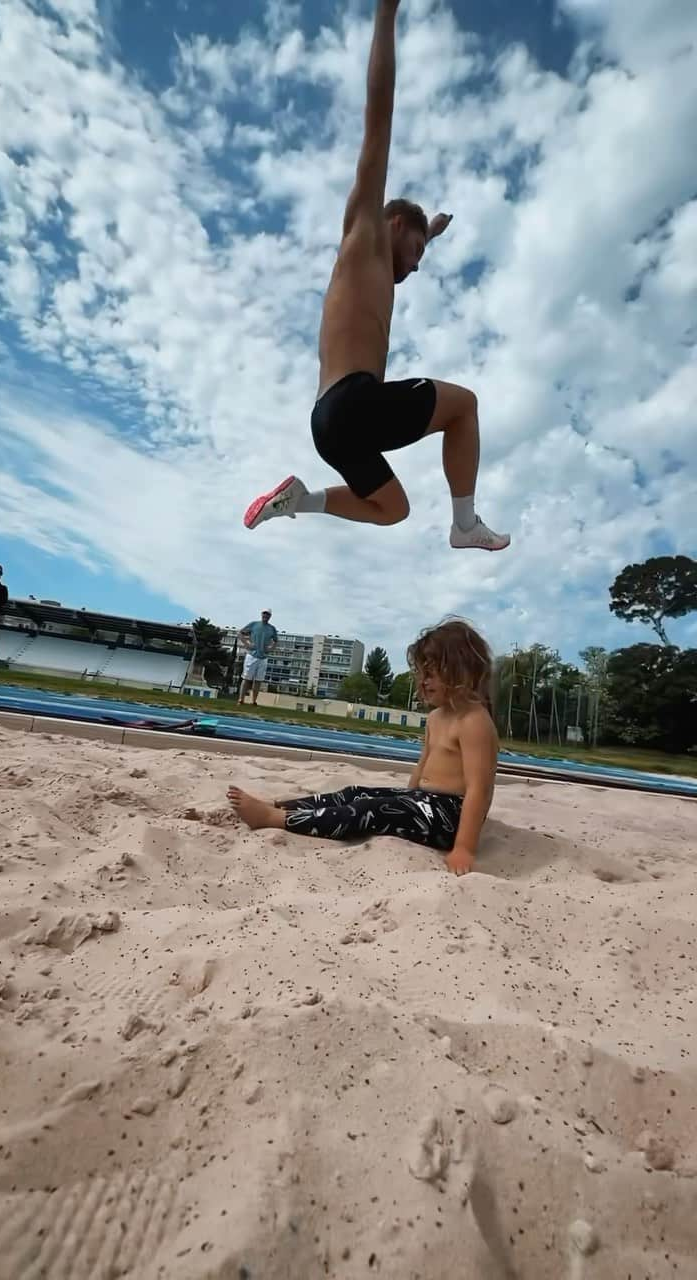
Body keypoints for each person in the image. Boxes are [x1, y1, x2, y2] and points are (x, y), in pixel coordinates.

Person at [244, 0, 509, 554]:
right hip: (351, 403)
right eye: (412, 250)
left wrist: (428, 235)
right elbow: (379, 114)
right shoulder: (363, 231)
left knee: (392, 509)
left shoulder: (379, 270)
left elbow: (406, 254)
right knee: (464, 405)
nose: (413, 266)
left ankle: (300, 499)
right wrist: (386, 16)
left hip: (331, 425)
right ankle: (465, 524)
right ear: (388, 223)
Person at [228, 617, 498, 875]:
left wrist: (464, 847)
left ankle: (273, 819)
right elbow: (423, 766)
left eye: (431, 673)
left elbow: (479, 790)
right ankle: (280, 806)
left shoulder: (474, 721)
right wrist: (404, 798)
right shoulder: (436, 717)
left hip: (449, 818)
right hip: (423, 802)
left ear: (460, 672)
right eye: (421, 673)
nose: (423, 681)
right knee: (355, 793)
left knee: (369, 811)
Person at [238, 609, 278, 706]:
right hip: (252, 655)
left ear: (270, 616)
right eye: (264, 613)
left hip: (263, 657)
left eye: (268, 614)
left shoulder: (272, 628)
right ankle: (241, 699)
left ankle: (254, 701)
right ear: (261, 614)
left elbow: (275, 640)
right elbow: (240, 633)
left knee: (258, 681)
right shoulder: (254, 624)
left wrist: (271, 648)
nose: (266, 616)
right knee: (246, 678)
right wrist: (246, 644)